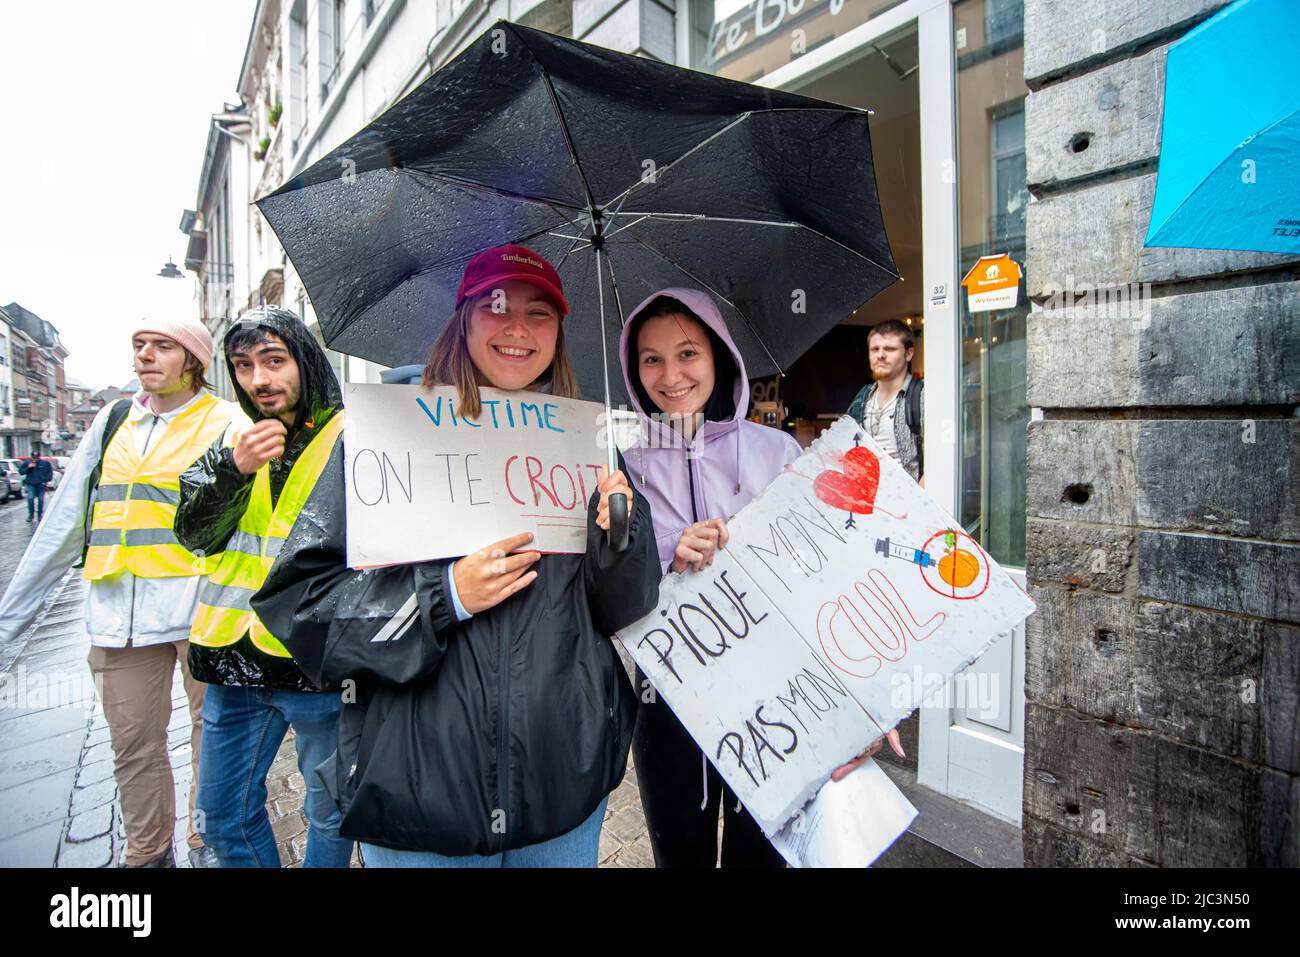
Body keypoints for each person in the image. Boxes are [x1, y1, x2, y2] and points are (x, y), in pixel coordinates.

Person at [253, 244, 660, 867]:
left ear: (560, 331)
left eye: (540, 312)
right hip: (419, 794)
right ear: (464, 319)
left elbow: (625, 608)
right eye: (497, 306)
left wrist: (619, 539)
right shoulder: (386, 435)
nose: (518, 328)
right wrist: (443, 597)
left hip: (564, 784)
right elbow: (301, 607)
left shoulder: (592, 447)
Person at [620, 288, 904, 868]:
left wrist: (870, 702)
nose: (670, 375)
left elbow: (841, 580)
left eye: (687, 352)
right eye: (650, 359)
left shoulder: (779, 452)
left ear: (719, 355)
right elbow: (611, 596)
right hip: (670, 710)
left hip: (782, 709)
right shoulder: (623, 466)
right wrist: (668, 557)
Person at [0, 316, 247, 867]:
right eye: (139, 345)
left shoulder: (226, 421)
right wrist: (7, 628)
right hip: (118, 619)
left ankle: (205, 841)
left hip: (200, 614)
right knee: (134, 747)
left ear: (194, 361)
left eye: (163, 346)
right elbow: (62, 525)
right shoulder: (114, 422)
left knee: (213, 735)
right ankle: (146, 854)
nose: (146, 356)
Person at [173, 307, 354, 868]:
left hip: (318, 665)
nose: (259, 380)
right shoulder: (232, 439)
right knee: (222, 817)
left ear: (305, 360)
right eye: (243, 365)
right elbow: (194, 534)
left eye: (274, 361)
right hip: (232, 660)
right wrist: (234, 468)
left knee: (332, 812)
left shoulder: (357, 436)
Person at [847, 319, 923, 482]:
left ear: (909, 354)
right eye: (875, 349)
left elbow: (937, 461)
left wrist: (918, 504)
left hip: (906, 503)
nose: (880, 355)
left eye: (889, 349)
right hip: (866, 501)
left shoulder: (921, 396)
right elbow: (844, 445)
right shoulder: (862, 396)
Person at [18, 452, 53, 522]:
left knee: (41, 500)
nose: (35, 459)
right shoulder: (27, 463)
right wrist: (29, 468)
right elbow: (21, 472)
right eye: (33, 457)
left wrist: (45, 480)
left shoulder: (45, 463)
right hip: (31, 484)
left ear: (39, 457)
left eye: (36, 457)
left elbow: (49, 473)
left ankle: (39, 515)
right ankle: (31, 515)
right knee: (30, 498)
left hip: (41, 484)